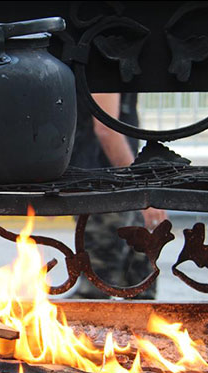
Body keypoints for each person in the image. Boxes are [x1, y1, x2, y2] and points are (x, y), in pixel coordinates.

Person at [68, 93, 167, 299]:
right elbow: (106, 130)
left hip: (110, 183)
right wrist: (140, 189)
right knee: (97, 293)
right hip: (104, 187)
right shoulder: (108, 62)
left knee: (139, 290)